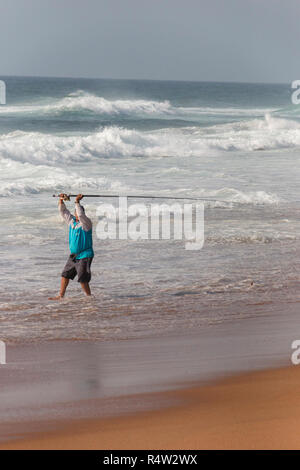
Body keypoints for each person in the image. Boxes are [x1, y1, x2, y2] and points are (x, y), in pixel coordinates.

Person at [49, 193, 94, 300]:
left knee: (82, 278)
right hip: (74, 255)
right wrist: (61, 200)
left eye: (78, 212)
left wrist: (77, 202)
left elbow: (82, 215)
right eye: (76, 213)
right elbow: (63, 212)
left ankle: (89, 298)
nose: (77, 214)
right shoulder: (72, 222)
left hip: (85, 254)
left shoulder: (86, 223)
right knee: (65, 275)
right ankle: (61, 296)